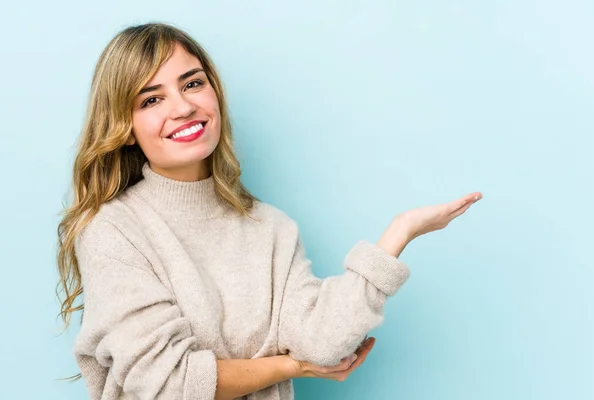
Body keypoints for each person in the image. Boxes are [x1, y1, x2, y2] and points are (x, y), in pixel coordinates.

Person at [56, 22, 483, 400]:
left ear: (214, 94)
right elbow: (169, 385)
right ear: (124, 128)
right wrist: (289, 367)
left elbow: (321, 343)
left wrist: (397, 235)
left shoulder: (270, 227)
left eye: (192, 84)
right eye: (150, 100)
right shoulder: (113, 230)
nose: (182, 107)